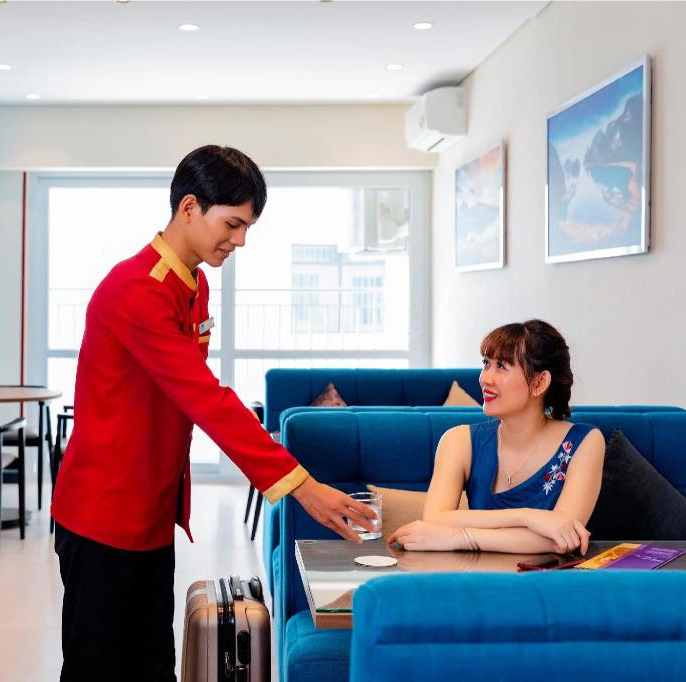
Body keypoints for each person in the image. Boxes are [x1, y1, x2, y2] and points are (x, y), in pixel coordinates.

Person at [51, 145, 376, 682]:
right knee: (97, 668)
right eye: (233, 224)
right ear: (189, 207)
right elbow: (205, 398)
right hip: (103, 513)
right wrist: (302, 486)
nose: (240, 241)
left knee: (153, 664)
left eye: (247, 227)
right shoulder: (136, 289)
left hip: (150, 511)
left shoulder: (193, 282)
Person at [386, 320, 605, 555]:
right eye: (486, 364)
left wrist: (460, 536)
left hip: (548, 577)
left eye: (501, 366)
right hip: (474, 575)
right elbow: (435, 519)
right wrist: (527, 517)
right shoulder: (458, 441)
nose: (485, 379)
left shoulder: (585, 442)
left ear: (539, 382)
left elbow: (561, 538)